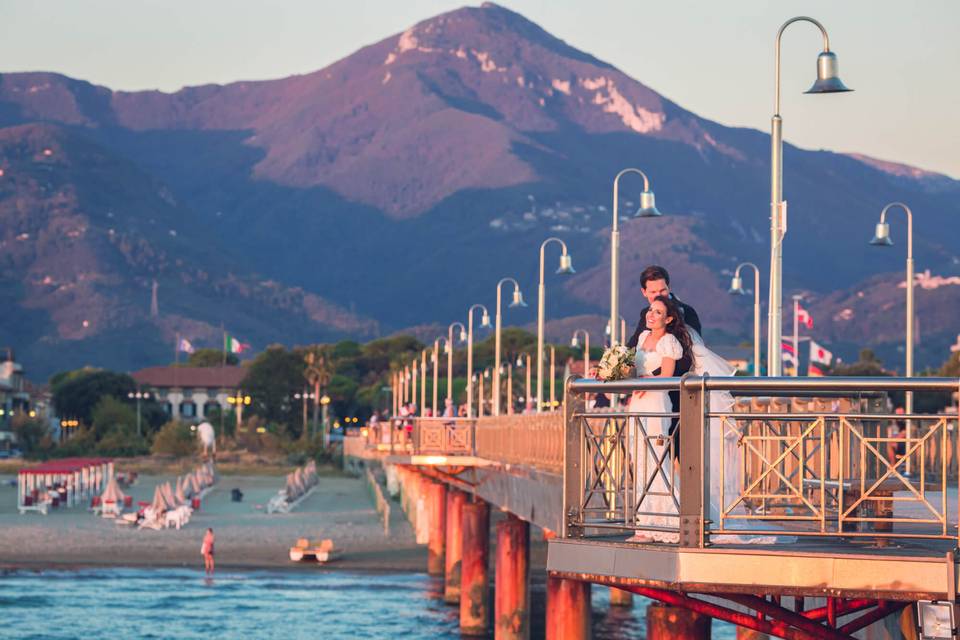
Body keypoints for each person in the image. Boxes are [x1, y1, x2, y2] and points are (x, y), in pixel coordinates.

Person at [627, 296, 691, 542]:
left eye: (658, 312)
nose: (651, 315)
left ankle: (663, 522)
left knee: (656, 460)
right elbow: (632, 368)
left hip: (656, 401)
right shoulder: (642, 338)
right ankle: (644, 523)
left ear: (669, 319)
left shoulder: (669, 342)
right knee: (639, 459)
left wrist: (646, 382)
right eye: (651, 310)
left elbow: (667, 376)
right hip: (638, 402)